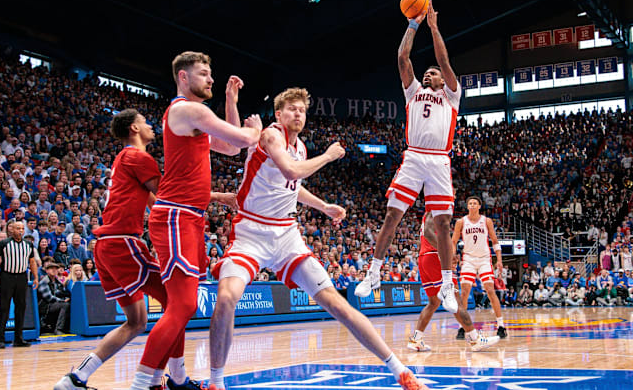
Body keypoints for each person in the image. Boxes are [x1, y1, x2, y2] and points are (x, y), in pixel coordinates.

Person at [209, 87, 427, 390]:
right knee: (226, 298)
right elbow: (290, 169)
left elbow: (291, 184)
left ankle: (400, 369)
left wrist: (322, 206)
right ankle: (216, 382)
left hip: (286, 235)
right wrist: (328, 156)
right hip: (251, 232)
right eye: (292, 109)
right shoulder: (271, 136)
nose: (298, 114)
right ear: (279, 113)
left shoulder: (299, 148)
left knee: (336, 304)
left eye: (302, 110)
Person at [128, 51, 262, 390]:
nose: (211, 79)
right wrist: (256, 129)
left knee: (178, 304)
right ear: (183, 78)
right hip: (176, 216)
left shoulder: (194, 118)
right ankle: (142, 382)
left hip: (188, 218)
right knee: (184, 304)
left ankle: (169, 377)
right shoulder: (187, 109)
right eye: (204, 73)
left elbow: (230, 148)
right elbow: (244, 140)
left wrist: (232, 100)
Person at [355, 2, 460, 317]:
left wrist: (434, 28)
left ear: (442, 80)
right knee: (392, 215)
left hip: (440, 160)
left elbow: (443, 58)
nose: (429, 73)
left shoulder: (452, 95)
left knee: (442, 224)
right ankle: (373, 273)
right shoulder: (413, 91)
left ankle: (447, 285)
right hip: (414, 157)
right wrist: (413, 24)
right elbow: (402, 57)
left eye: (433, 73)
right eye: (426, 72)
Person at [56, 109, 173, 390]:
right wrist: (217, 196)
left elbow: (156, 203)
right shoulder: (138, 157)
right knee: (177, 303)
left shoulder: (124, 161)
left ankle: (75, 379)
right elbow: (170, 194)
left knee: (136, 322)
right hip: (122, 242)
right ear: (134, 128)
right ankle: (155, 380)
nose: (151, 127)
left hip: (106, 246)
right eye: (146, 122)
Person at [407, 213, 499, 352]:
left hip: (424, 257)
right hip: (435, 258)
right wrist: (447, 253)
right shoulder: (436, 207)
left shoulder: (429, 212)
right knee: (456, 300)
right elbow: (428, 233)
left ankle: (416, 339)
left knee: (433, 302)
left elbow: (426, 235)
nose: (453, 194)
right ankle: (475, 339)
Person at [452, 197, 507, 339]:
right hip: (468, 259)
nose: (472, 205)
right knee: (464, 293)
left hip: (484, 259)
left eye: (474, 203)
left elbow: (495, 241)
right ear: (467, 206)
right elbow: (453, 242)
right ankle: (462, 327)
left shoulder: (486, 221)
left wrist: (499, 260)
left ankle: (501, 326)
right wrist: (453, 256)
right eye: (470, 203)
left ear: (479, 206)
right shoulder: (461, 222)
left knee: (490, 290)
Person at [0, 220, 39, 349]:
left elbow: (32, 262)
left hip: (22, 277)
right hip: (6, 276)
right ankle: (0, 339)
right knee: (3, 308)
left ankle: (18, 338)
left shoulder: (28, 245)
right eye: (17, 228)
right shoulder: (3, 244)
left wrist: (36, 277)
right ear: (11, 230)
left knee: (21, 308)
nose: (20, 231)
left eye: (22, 228)